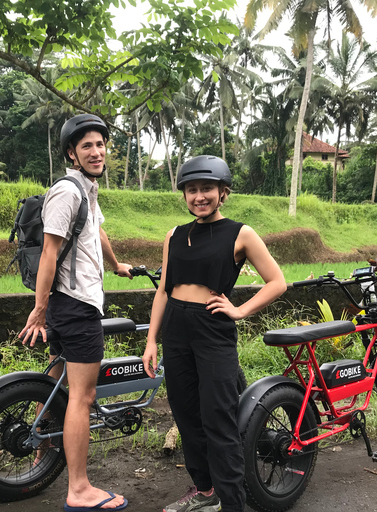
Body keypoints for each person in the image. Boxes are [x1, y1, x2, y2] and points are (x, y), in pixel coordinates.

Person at [142, 155, 287, 512]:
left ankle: (232, 504)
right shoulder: (174, 235)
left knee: (218, 419)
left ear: (223, 192)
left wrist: (239, 310)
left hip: (212, 329)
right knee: (186, 413)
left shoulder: (241, 233)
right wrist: (151, 340)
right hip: (176, 328)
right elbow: (163, 290)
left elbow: (278, 282)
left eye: (207, 189)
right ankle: (205, 491)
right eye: (192, 190)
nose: (199, 196)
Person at [19, 113, 133, 512]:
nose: (96, 151)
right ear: (72, 152)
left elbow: (97, 231)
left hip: (70, 304)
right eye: (87, 145)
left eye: (100, 144)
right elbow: (50, 251)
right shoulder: (67, 191)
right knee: (81, 397)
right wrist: (39, 309)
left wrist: (117, 265)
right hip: (75, 306)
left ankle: (42, 454)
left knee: (55, 379)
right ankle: (79, 489)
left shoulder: (88, 190)